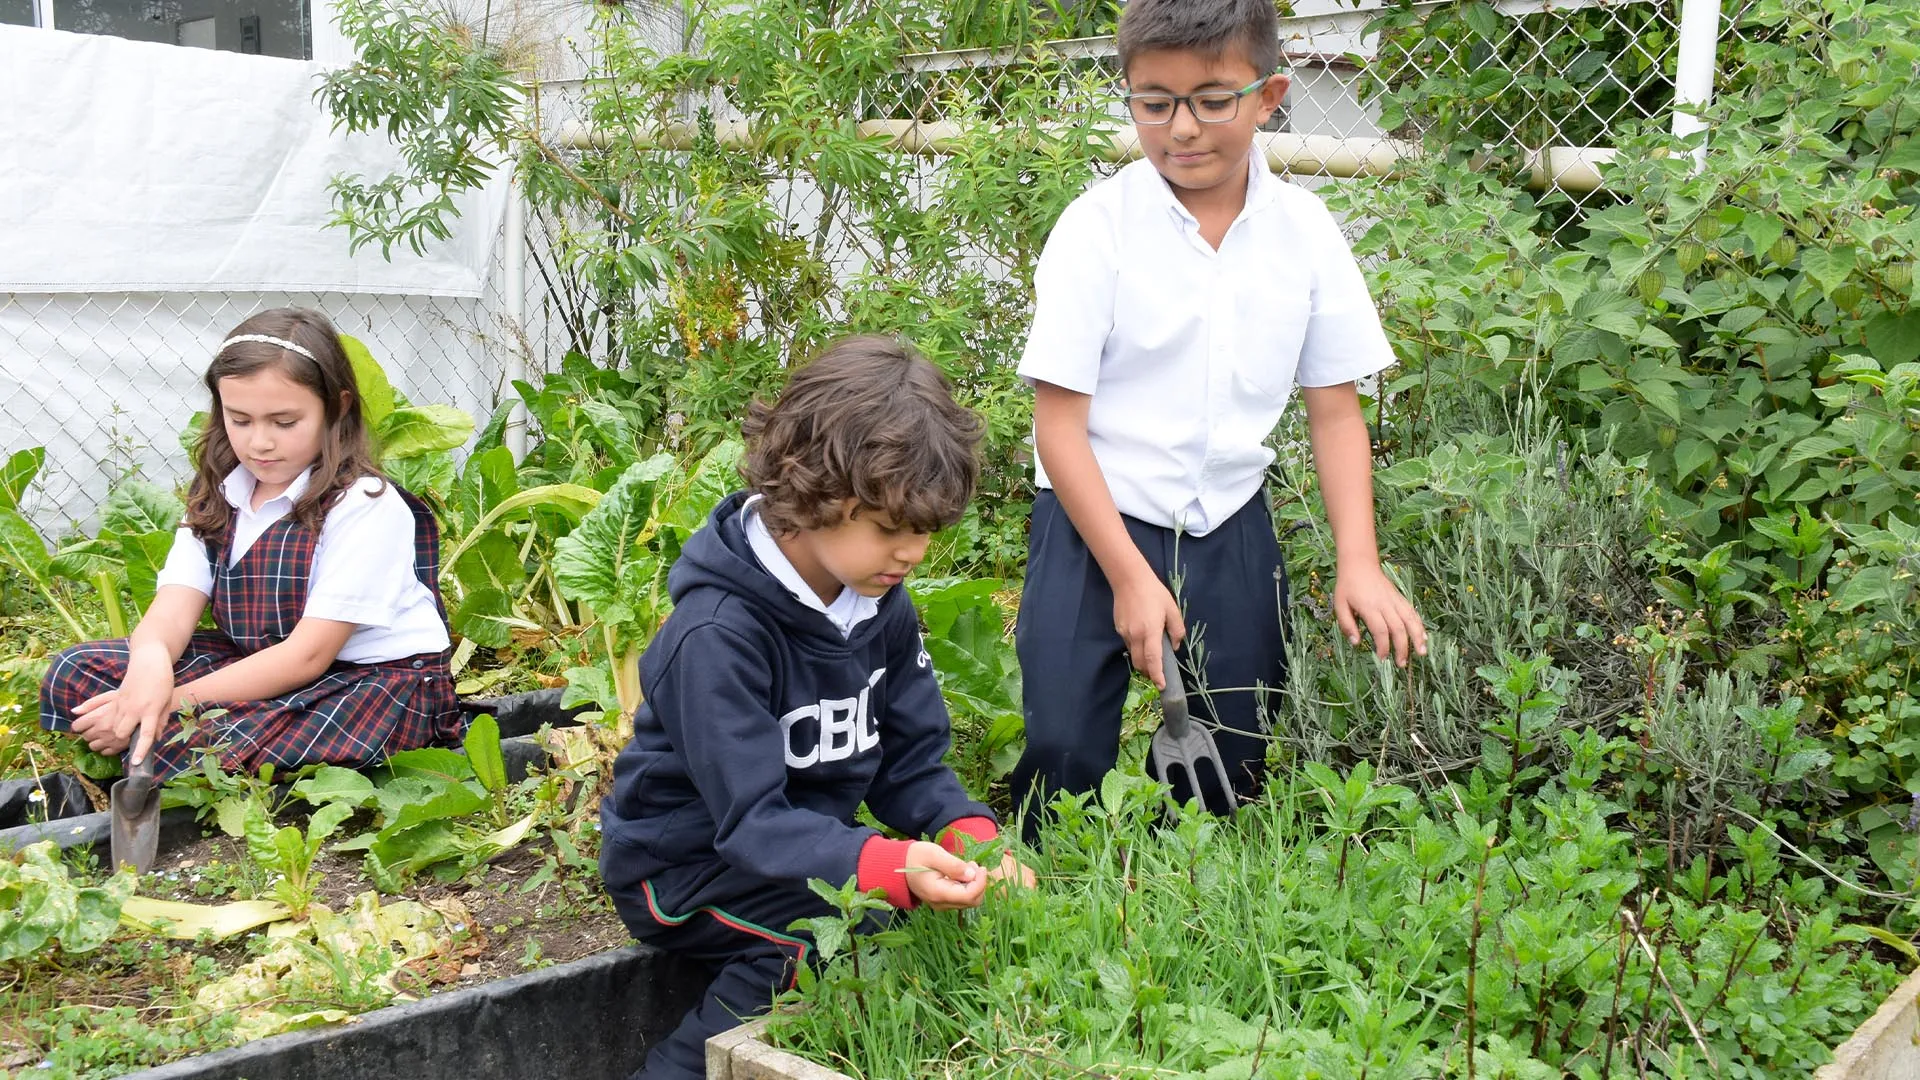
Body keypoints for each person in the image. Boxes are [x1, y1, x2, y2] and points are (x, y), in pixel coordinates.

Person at [1009, 0, 1429, 824]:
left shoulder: (1304, 232)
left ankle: (1187, 894)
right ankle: (1045, 894)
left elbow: (1336, 413)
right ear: (1128, 94)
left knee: (1233, 760)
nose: (1182, 128)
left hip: (1229, 520)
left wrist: (1360, 561)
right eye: (1154, 101)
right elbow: (1058, 427)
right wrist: (1130, 577)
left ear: (1269, 96)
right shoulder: (1098, 229)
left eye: (1212, 99)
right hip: (1094, 513)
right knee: (1063, 747)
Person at [599, 335, 1033, 1080]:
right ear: (809, 494)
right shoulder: (717, 635)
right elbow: (752, 822)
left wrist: (969, 836)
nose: (911, 555)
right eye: (890, 529)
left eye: (926, 532)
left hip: (791, 847)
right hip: (683, 867)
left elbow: (908, 762)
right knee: (818, 935)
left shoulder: (876, 603)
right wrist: (884, 865)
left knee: (887, 914)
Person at [40, 307, 463, 777]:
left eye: (284, 423)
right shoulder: (222, 493)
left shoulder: (363, 504)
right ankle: (153, 740)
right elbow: (172, 609)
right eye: (240, 420)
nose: (259, 442)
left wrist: (166, 705)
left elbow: (308, 655)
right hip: (259, 665)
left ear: (337, 407)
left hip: (373, 683)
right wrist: (146, 669)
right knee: (74, 671)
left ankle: (150, 742)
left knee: (194, 739)